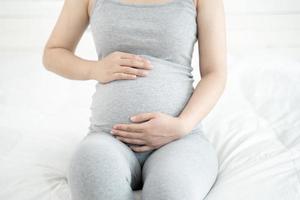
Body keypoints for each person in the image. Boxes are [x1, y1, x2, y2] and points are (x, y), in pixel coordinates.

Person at [42, 0, 227, 199]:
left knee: (170, 192)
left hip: (179, 140)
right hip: (108, 139)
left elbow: (215, 73)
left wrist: (181, 125)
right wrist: (94, 69)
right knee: (90, 172)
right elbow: (53, 53)